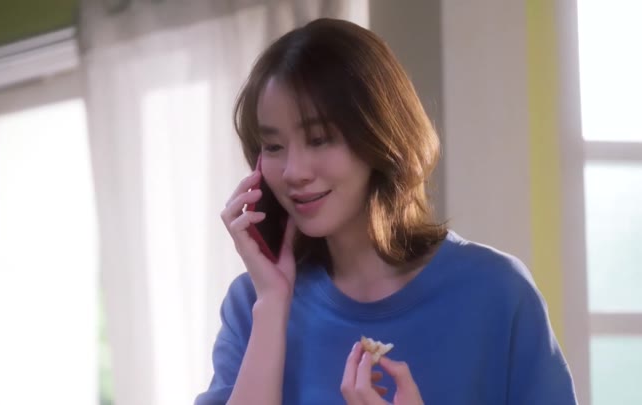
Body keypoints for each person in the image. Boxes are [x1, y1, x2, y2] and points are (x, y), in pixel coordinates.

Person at [195, 18, 577, 405]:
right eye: (274, 147)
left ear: (379, 135)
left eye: (319, 139)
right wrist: (272, 308)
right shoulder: (253, 303)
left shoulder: (496, 292)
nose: (293, 172)